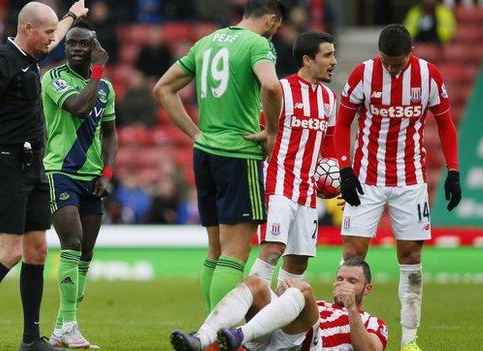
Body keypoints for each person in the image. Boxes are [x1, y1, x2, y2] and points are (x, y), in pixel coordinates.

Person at [0, 2, 88, 351]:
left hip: (33, 164)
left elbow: (55, 34)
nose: (53, 39)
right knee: (10, 251)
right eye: (47, 32)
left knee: (37, 251)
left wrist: (72, 15)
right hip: (7, 162)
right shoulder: (3, 60)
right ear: (27, 28)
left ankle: (30, 340)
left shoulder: (31, 57)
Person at [334, 24, 461, 351]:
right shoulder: (363, 75)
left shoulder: (429, 76)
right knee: (352, 255)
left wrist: (454, 171)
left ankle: (409, 338)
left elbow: (445, 124)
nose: (391, 68)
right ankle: (342, 330)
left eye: (398, 64)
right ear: (379, 54)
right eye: (387, 62)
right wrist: (345, 170)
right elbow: (343, 122)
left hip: (409, 180)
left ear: (411, 53)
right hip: (366, 180)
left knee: (411, 256)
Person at [153, 0, 284, 313]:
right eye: (276, 27)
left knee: (215, 251)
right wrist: (272, 132)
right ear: (270, 20)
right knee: (234, 254)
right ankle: (220, 334)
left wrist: (196, 134)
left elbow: (162, 89)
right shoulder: (258, 45)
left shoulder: (206, 42)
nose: (275, 33)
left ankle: (210, 333)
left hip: (205, 153)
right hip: (239, 154)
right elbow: (272, 86)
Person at [41, 21, 117, 349]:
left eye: (82, 45)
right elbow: (78, 107)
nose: (74, 48)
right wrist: (98, 70)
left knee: (86, 253)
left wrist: (108, 172)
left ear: (93, 47)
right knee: (71, 244)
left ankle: (61, 329)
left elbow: (110, 132)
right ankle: (71, 326)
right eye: (70, 43)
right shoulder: (54, 78)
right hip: (61, 171)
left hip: (92, 177)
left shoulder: (107, 88)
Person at [249, 32, 337, 289]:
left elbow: (328, 143)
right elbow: (261, 133)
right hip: (277, 183)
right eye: (328, 55)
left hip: (308, 191)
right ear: (308, 60)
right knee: (272, 251)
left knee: (298, 261)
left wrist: (334, 173)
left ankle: (278, 322)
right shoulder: (281, 90)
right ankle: (252, 318)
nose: (334, 61)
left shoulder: (329, 98)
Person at [171, 257, 387, 351]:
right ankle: (201, 338)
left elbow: (369, 349)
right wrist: (283, 295)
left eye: (352, 281)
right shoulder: (321, 305)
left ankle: (239, 335)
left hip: (305, 346)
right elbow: (276, 314)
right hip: (272, 337)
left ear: (367, 289)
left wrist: (351, 309)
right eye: (340, 279)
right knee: (256, 284)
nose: (343, 285)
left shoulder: (374, 323)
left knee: (303, 289)